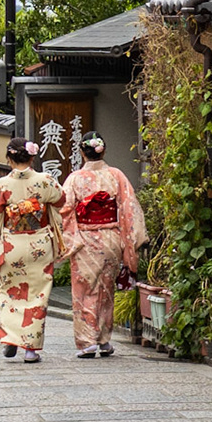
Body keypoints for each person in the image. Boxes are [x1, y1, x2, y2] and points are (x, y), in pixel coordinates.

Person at [58, 131, 146, 359]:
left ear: (82, 152)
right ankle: (104, 340)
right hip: (110, 239)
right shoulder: (116, 175)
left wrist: (70, 238)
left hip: (84, 239)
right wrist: (129, 239)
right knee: (106, 290)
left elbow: (65, 210)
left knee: (84, 290)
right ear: (103, 150)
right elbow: (129, 207)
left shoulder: (75, 178)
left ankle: (87, 341)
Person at [0, 137, 64, 363]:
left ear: (9, 159)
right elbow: (61, 199)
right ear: (31, 158)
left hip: (12, 244)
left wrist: (15, 212)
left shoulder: (2, 184)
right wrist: (39, 207)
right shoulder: (45, 180)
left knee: (10, 292)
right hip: (39, 243)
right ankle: (31, 349)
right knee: (38, 294)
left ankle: (11, 340)